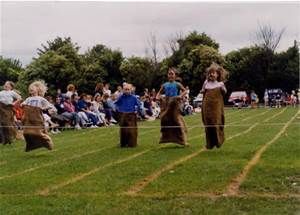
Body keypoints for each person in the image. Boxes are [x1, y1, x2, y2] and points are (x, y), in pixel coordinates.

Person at [156, 67, 188, 146]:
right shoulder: (165, 85)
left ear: (175, 76)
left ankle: (183, 140)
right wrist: (158, 97)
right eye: (169, 74)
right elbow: (158, 93)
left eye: (172, 74)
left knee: (176, 121)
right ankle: (164, 137)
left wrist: (180, 96)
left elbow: (185, 91)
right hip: (166, 103)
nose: (170, 75)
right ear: (167, 75)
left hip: (174, 103)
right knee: (164, 119)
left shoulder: (177, 84)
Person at [21, 80, 55, 151]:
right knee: (26, 133)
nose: (31, 89)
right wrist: (22, 105)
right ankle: (30, 146)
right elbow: (23, 104)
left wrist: (46, 109)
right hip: (29, 119)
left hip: (37, 118)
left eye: (33, 88)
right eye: (30, 88)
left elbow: (49, 105)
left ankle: (47, 141)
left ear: (38, 89)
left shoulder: (40, 99)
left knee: (38, 133)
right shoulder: (28, 99)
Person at [201, 62, 227, 149]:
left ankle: (219, 141)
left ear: (218, 74)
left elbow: (224, 93)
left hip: (216, 107)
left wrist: (222, 89)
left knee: (216, 123)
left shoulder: (220, 84)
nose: (211, 74)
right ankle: (209, 144)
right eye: (210, 73)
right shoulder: (206, 83)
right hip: (207, 106)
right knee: (208, 124)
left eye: (213, 73)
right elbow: (203, 91)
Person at [114, 83, 142, 147]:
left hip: (131, 115)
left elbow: (139, 105)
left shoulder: (134, 97)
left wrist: (136, 111)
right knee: (123, 130)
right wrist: (119, 110)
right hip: (123, 114)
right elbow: (116, 103)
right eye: (125, 89)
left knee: (131, 130)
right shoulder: (121, 97)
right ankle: (123, 143)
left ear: (131, 90)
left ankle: (132, 143)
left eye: (128, 89)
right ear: (123, 90)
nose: (127, 91)